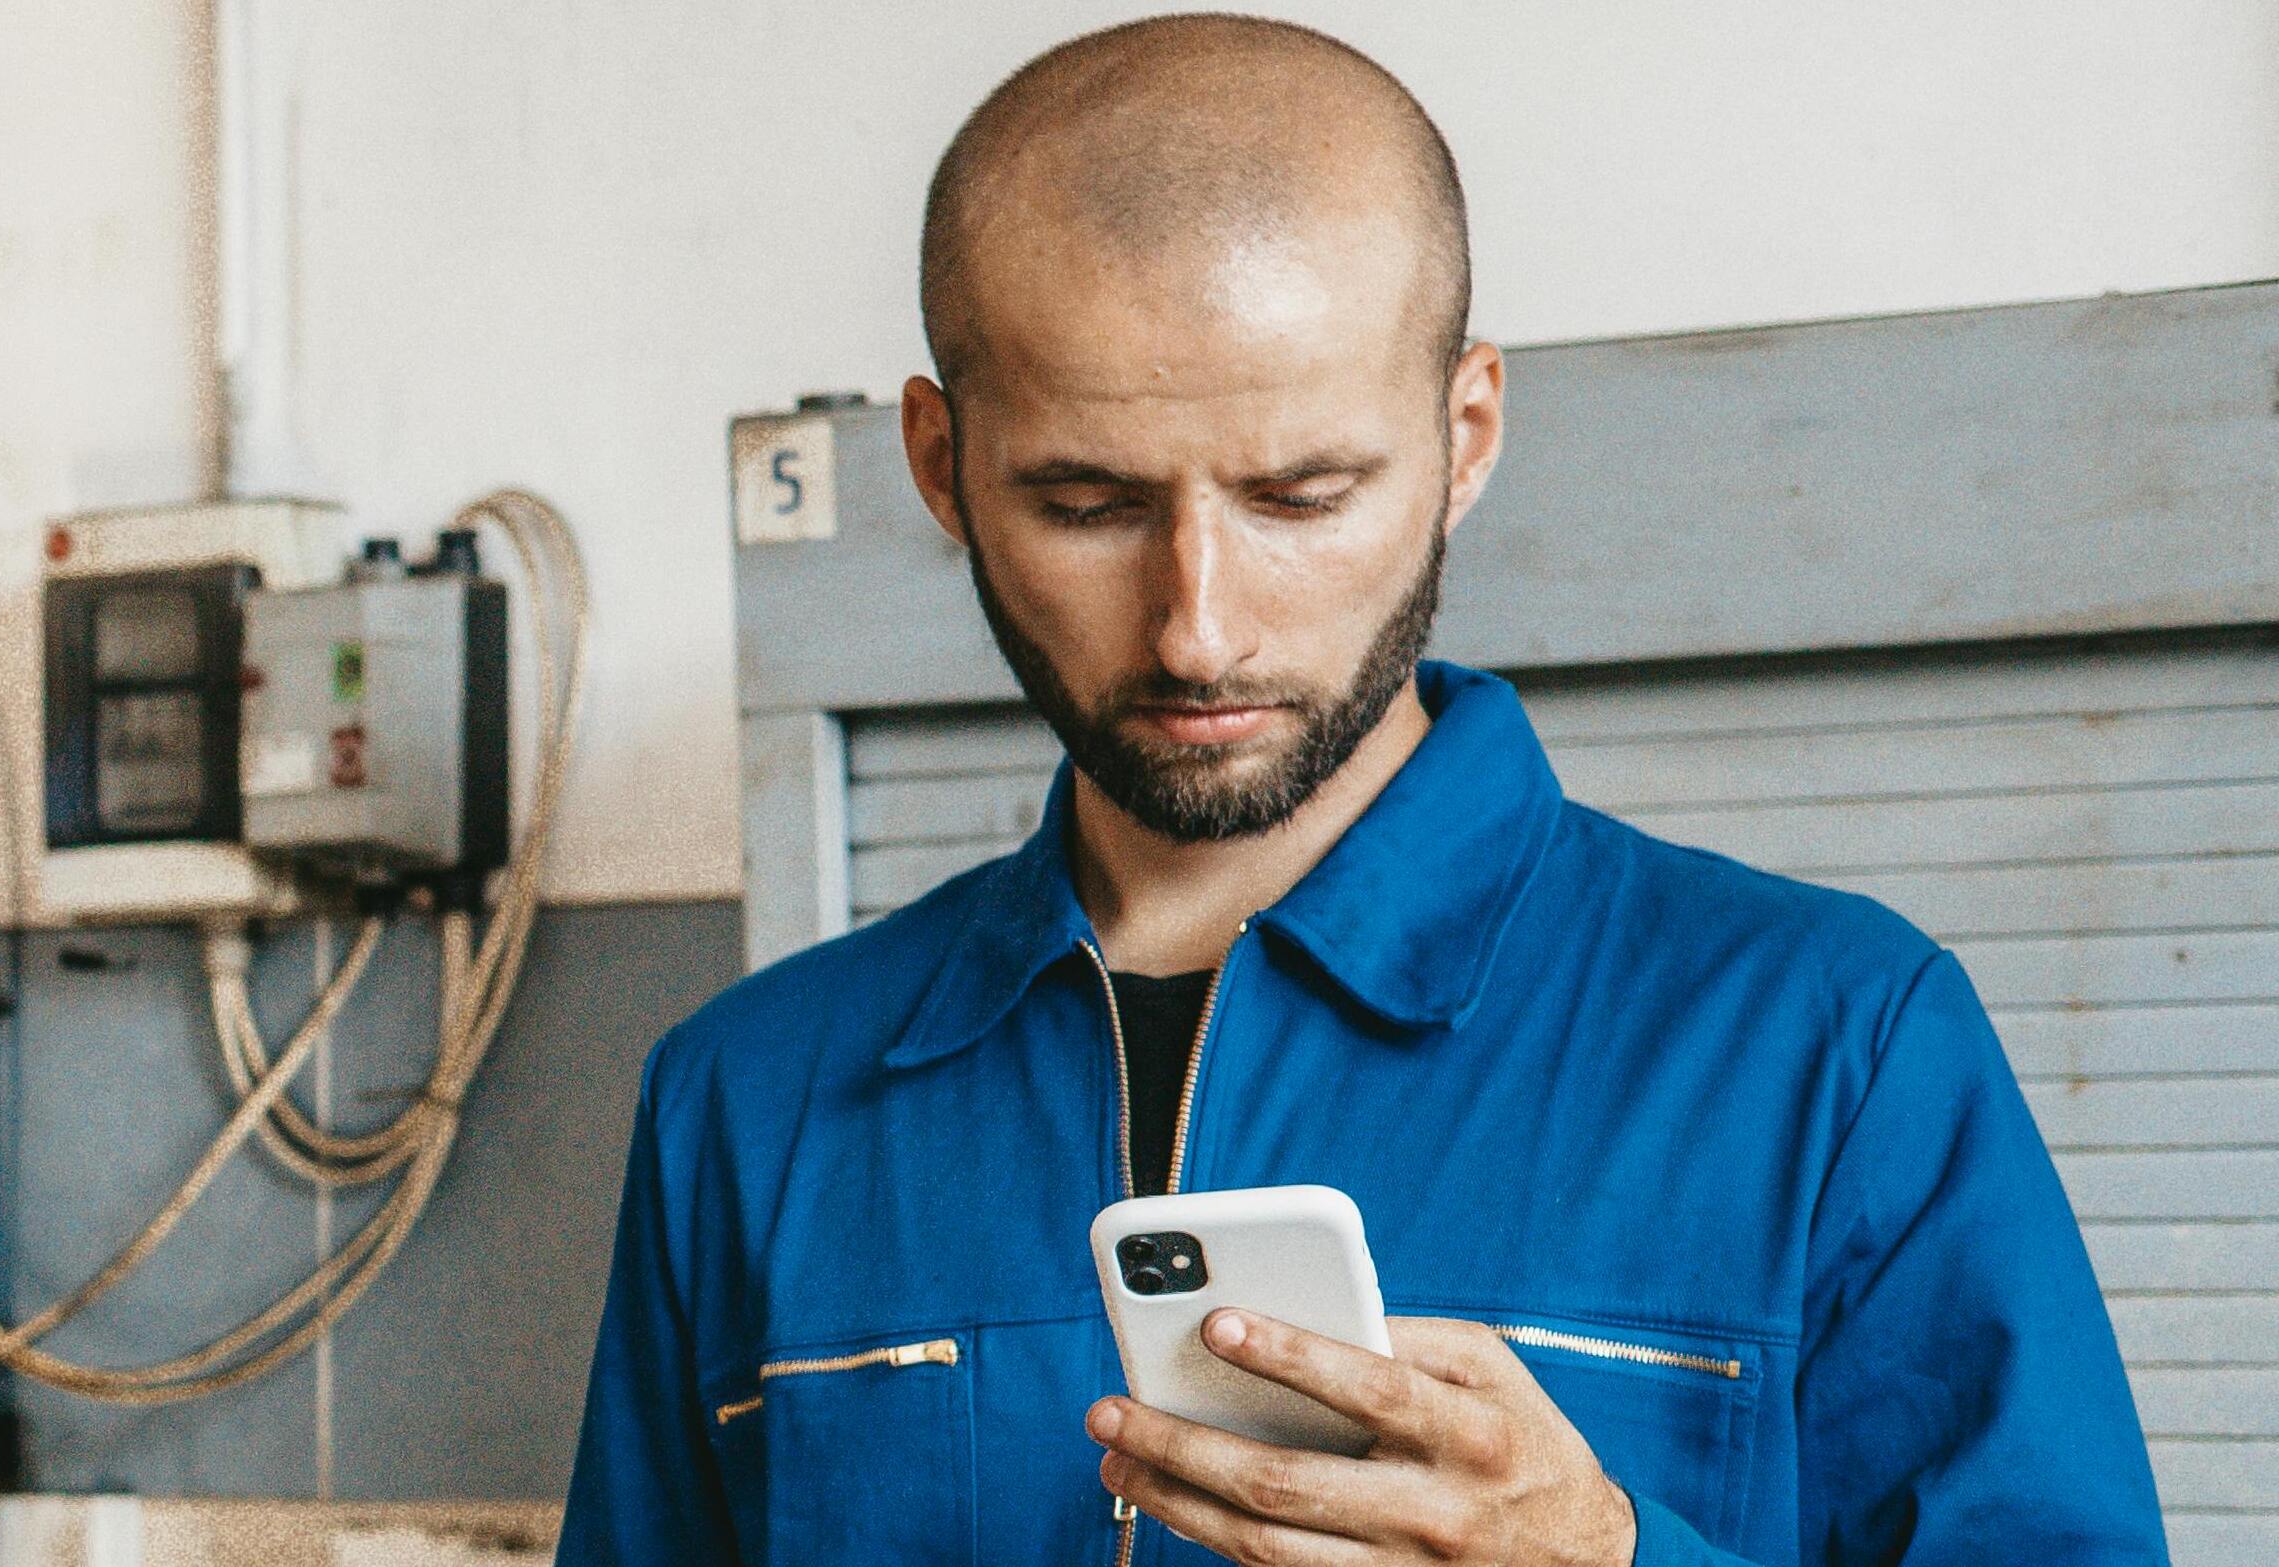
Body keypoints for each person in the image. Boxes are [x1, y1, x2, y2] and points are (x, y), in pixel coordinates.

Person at [557, 14, 2169, 1565]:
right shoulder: (749, 1101)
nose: (1199, 620)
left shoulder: (1835, 1045)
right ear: (939, 467)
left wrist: (1605, 1564)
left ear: (1465, 435)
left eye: (1302, 494)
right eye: (1085, 502)